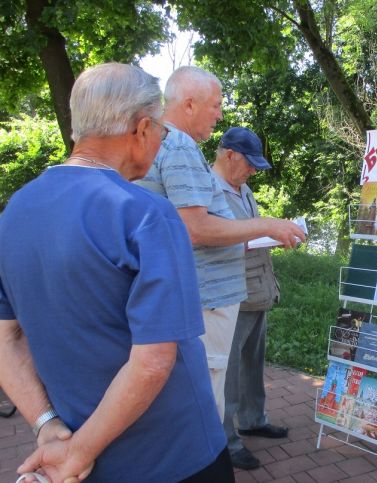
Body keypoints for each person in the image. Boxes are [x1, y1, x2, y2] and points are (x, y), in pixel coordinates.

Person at [0, 63, 234, 481]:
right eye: (161, 128)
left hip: (85, 457)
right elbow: (152, 362)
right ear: (142, 129)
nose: (163, 138)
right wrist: (78, 452)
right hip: (174, 455)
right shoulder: (145, 213)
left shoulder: (15, 211)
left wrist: (47, 423)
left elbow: (5, 338)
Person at [135, 67, 305, 424]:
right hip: (207, 299)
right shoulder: (179, 146)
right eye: (215, 105)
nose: (220, 115)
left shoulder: (155, 143)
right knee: (207, 394)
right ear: (190, 104)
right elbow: (195, 229)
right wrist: (268, 226)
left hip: (184, 292)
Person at [212, 127, 291, 470]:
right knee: (226, 371)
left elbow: (250, 230)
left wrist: (272, 233)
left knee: (252, 361)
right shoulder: (206, 189)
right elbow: (208, 239)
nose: (253, 171)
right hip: (231, 292)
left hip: (258, 288)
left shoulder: (242, 188)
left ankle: (253, 418)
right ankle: (227, 441)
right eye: (249, 164)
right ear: (228, 155)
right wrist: (263, 231)